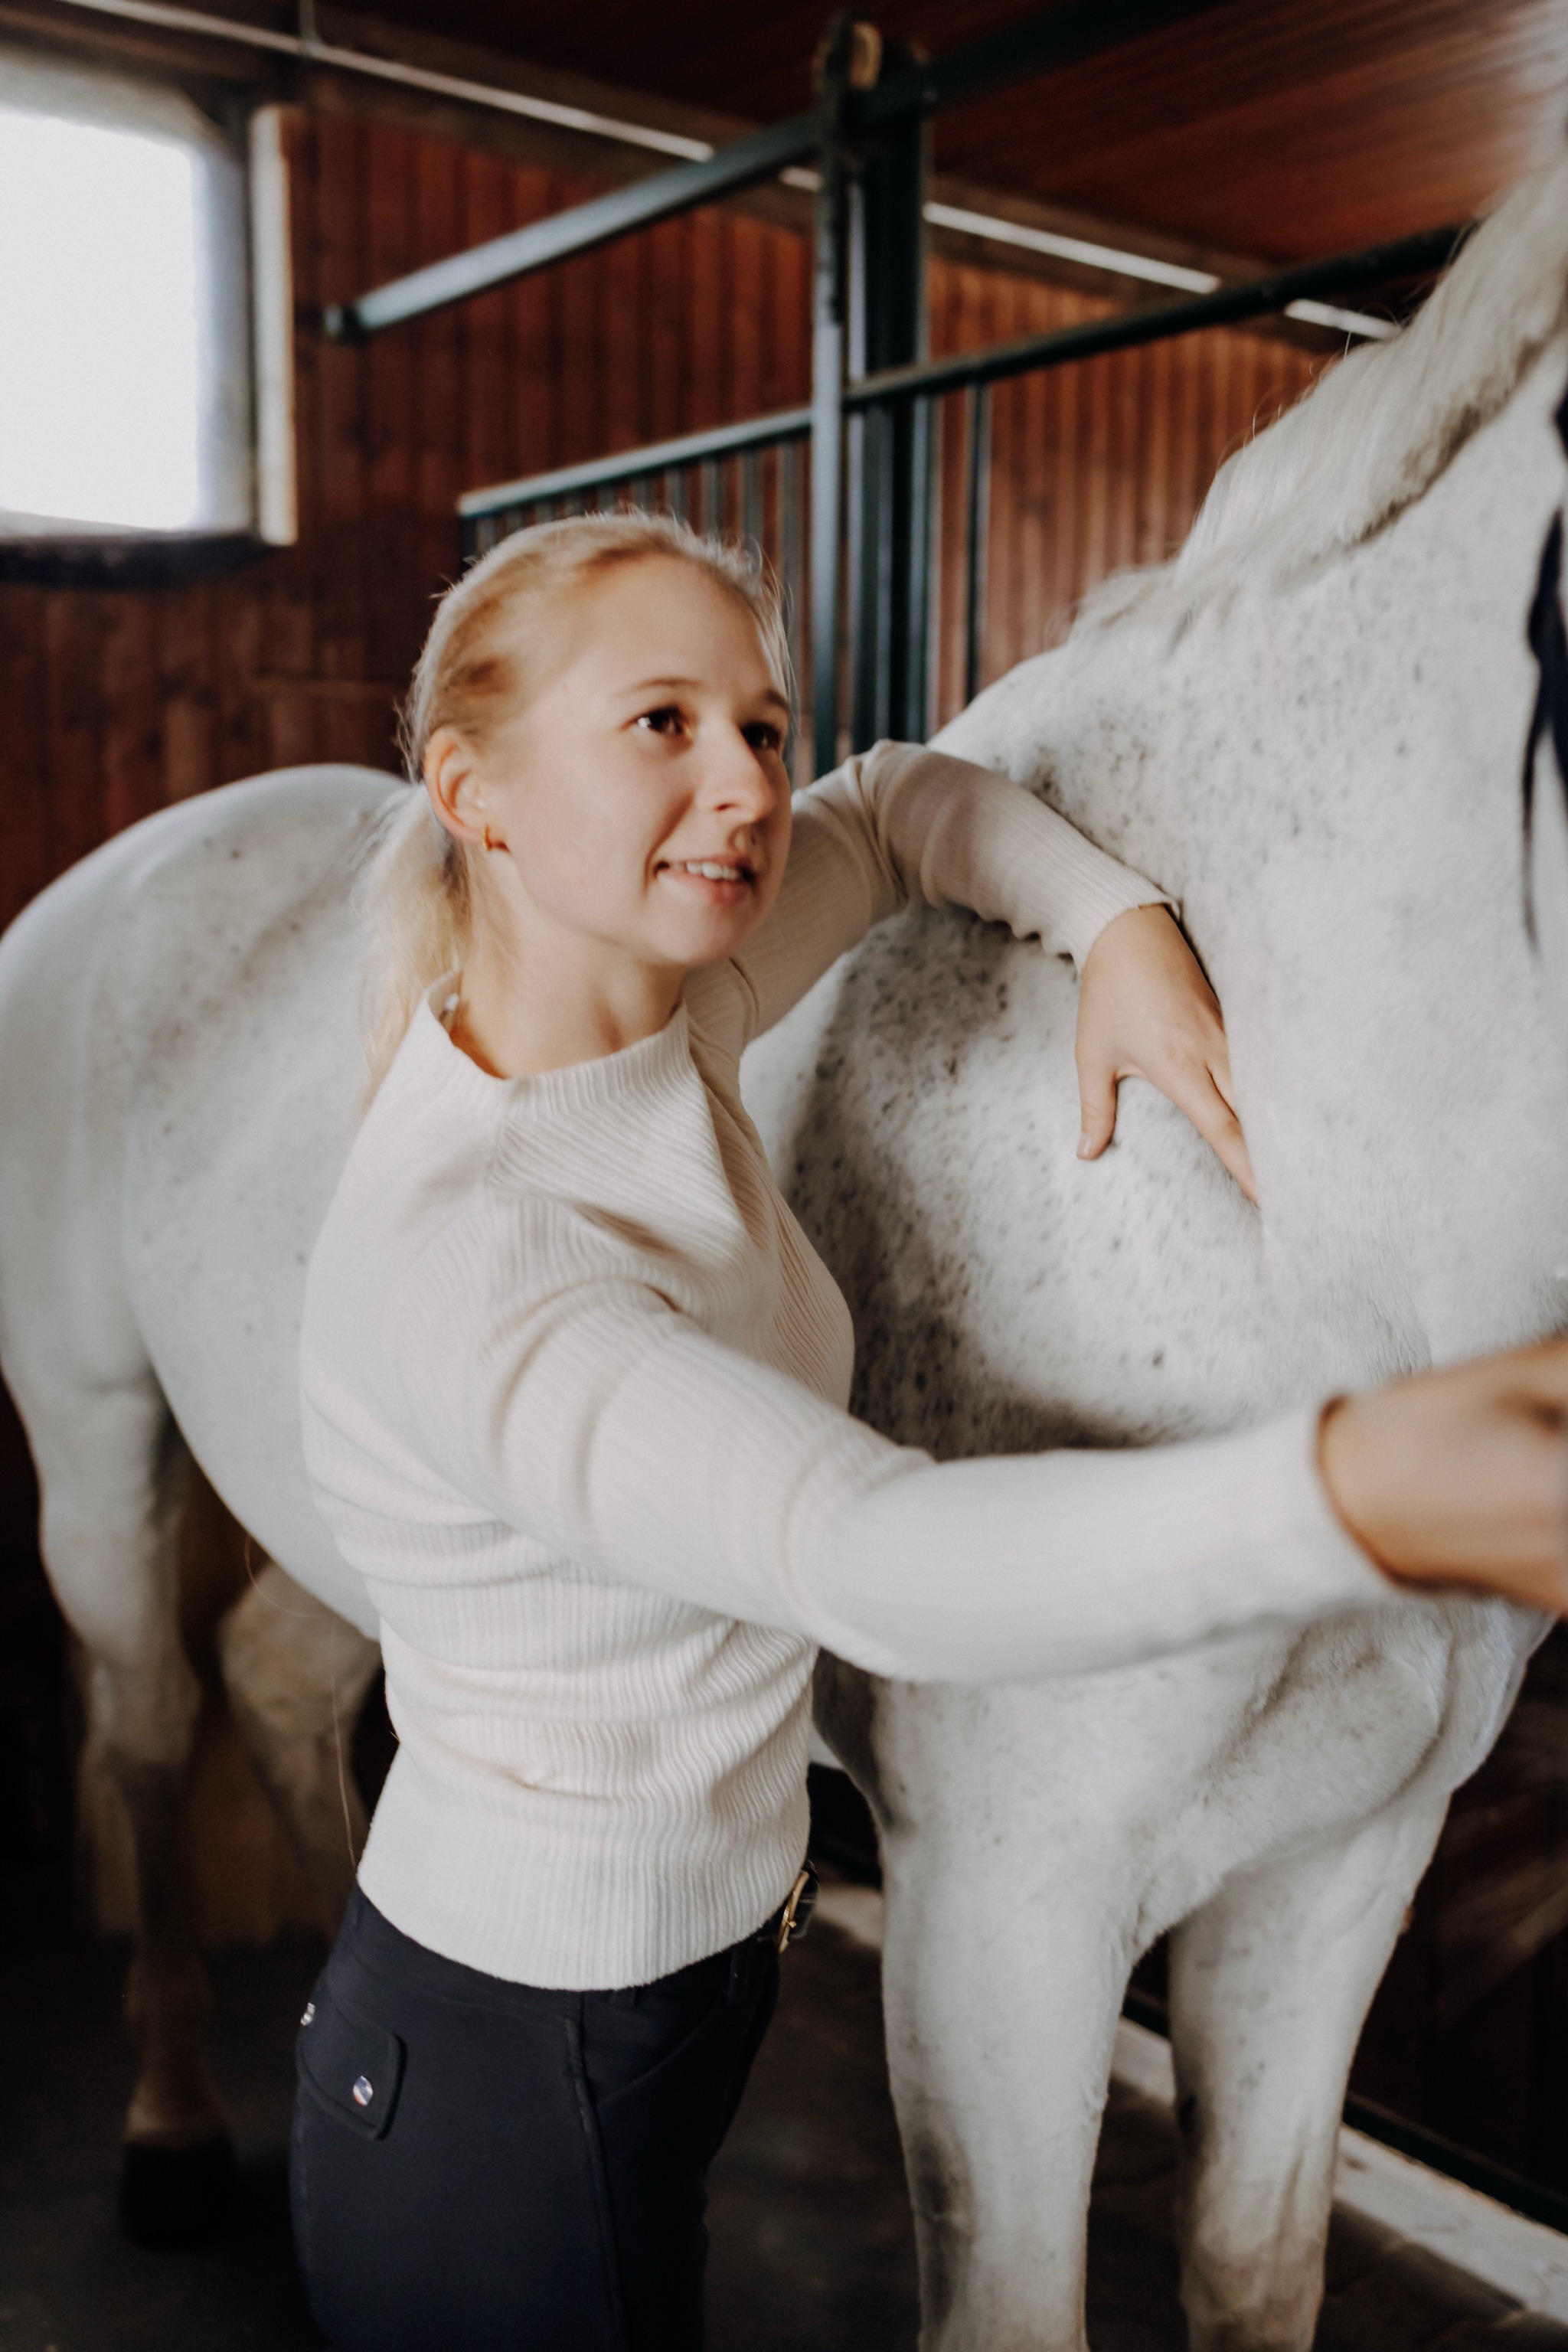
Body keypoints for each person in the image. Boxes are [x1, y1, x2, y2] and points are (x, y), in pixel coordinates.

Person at [292, 511, 1568, 2352]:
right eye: (659, 723)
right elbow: (873, 1556)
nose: (741, 784)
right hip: (508, 2063)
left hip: (661, 2000)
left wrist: (1114, 923)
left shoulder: (669, 1019)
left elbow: (894, 805)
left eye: (759, 722)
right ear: (471, 792)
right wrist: (1356, 1484)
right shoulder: (478, 1261)